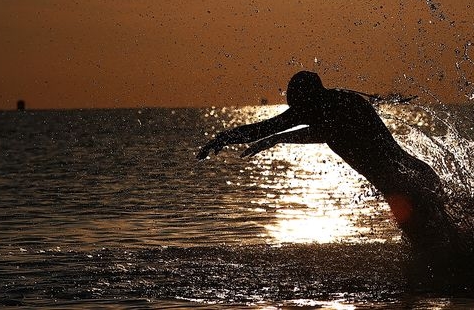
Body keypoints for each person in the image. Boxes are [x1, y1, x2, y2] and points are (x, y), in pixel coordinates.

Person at [197, 71, 460, 253]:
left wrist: (277, 139)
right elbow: (264, 128)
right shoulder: (323, 104)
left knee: (439, 256)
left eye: (296, 102)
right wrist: (223, 137)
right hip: (413, 181)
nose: (294, 111)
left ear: (309, 97)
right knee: (444, 248)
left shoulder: (339, 105)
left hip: (406, 187)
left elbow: (327, 132)